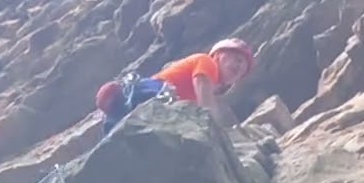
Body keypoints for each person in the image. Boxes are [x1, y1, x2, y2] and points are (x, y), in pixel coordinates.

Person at [95, 38, 255, 135]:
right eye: (238, 60)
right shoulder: (207, 63)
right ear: (219, 56)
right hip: (152, 95)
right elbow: (206, 107)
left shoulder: (207, 82)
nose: (239, 68)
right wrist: (219, 132)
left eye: (243, 70)